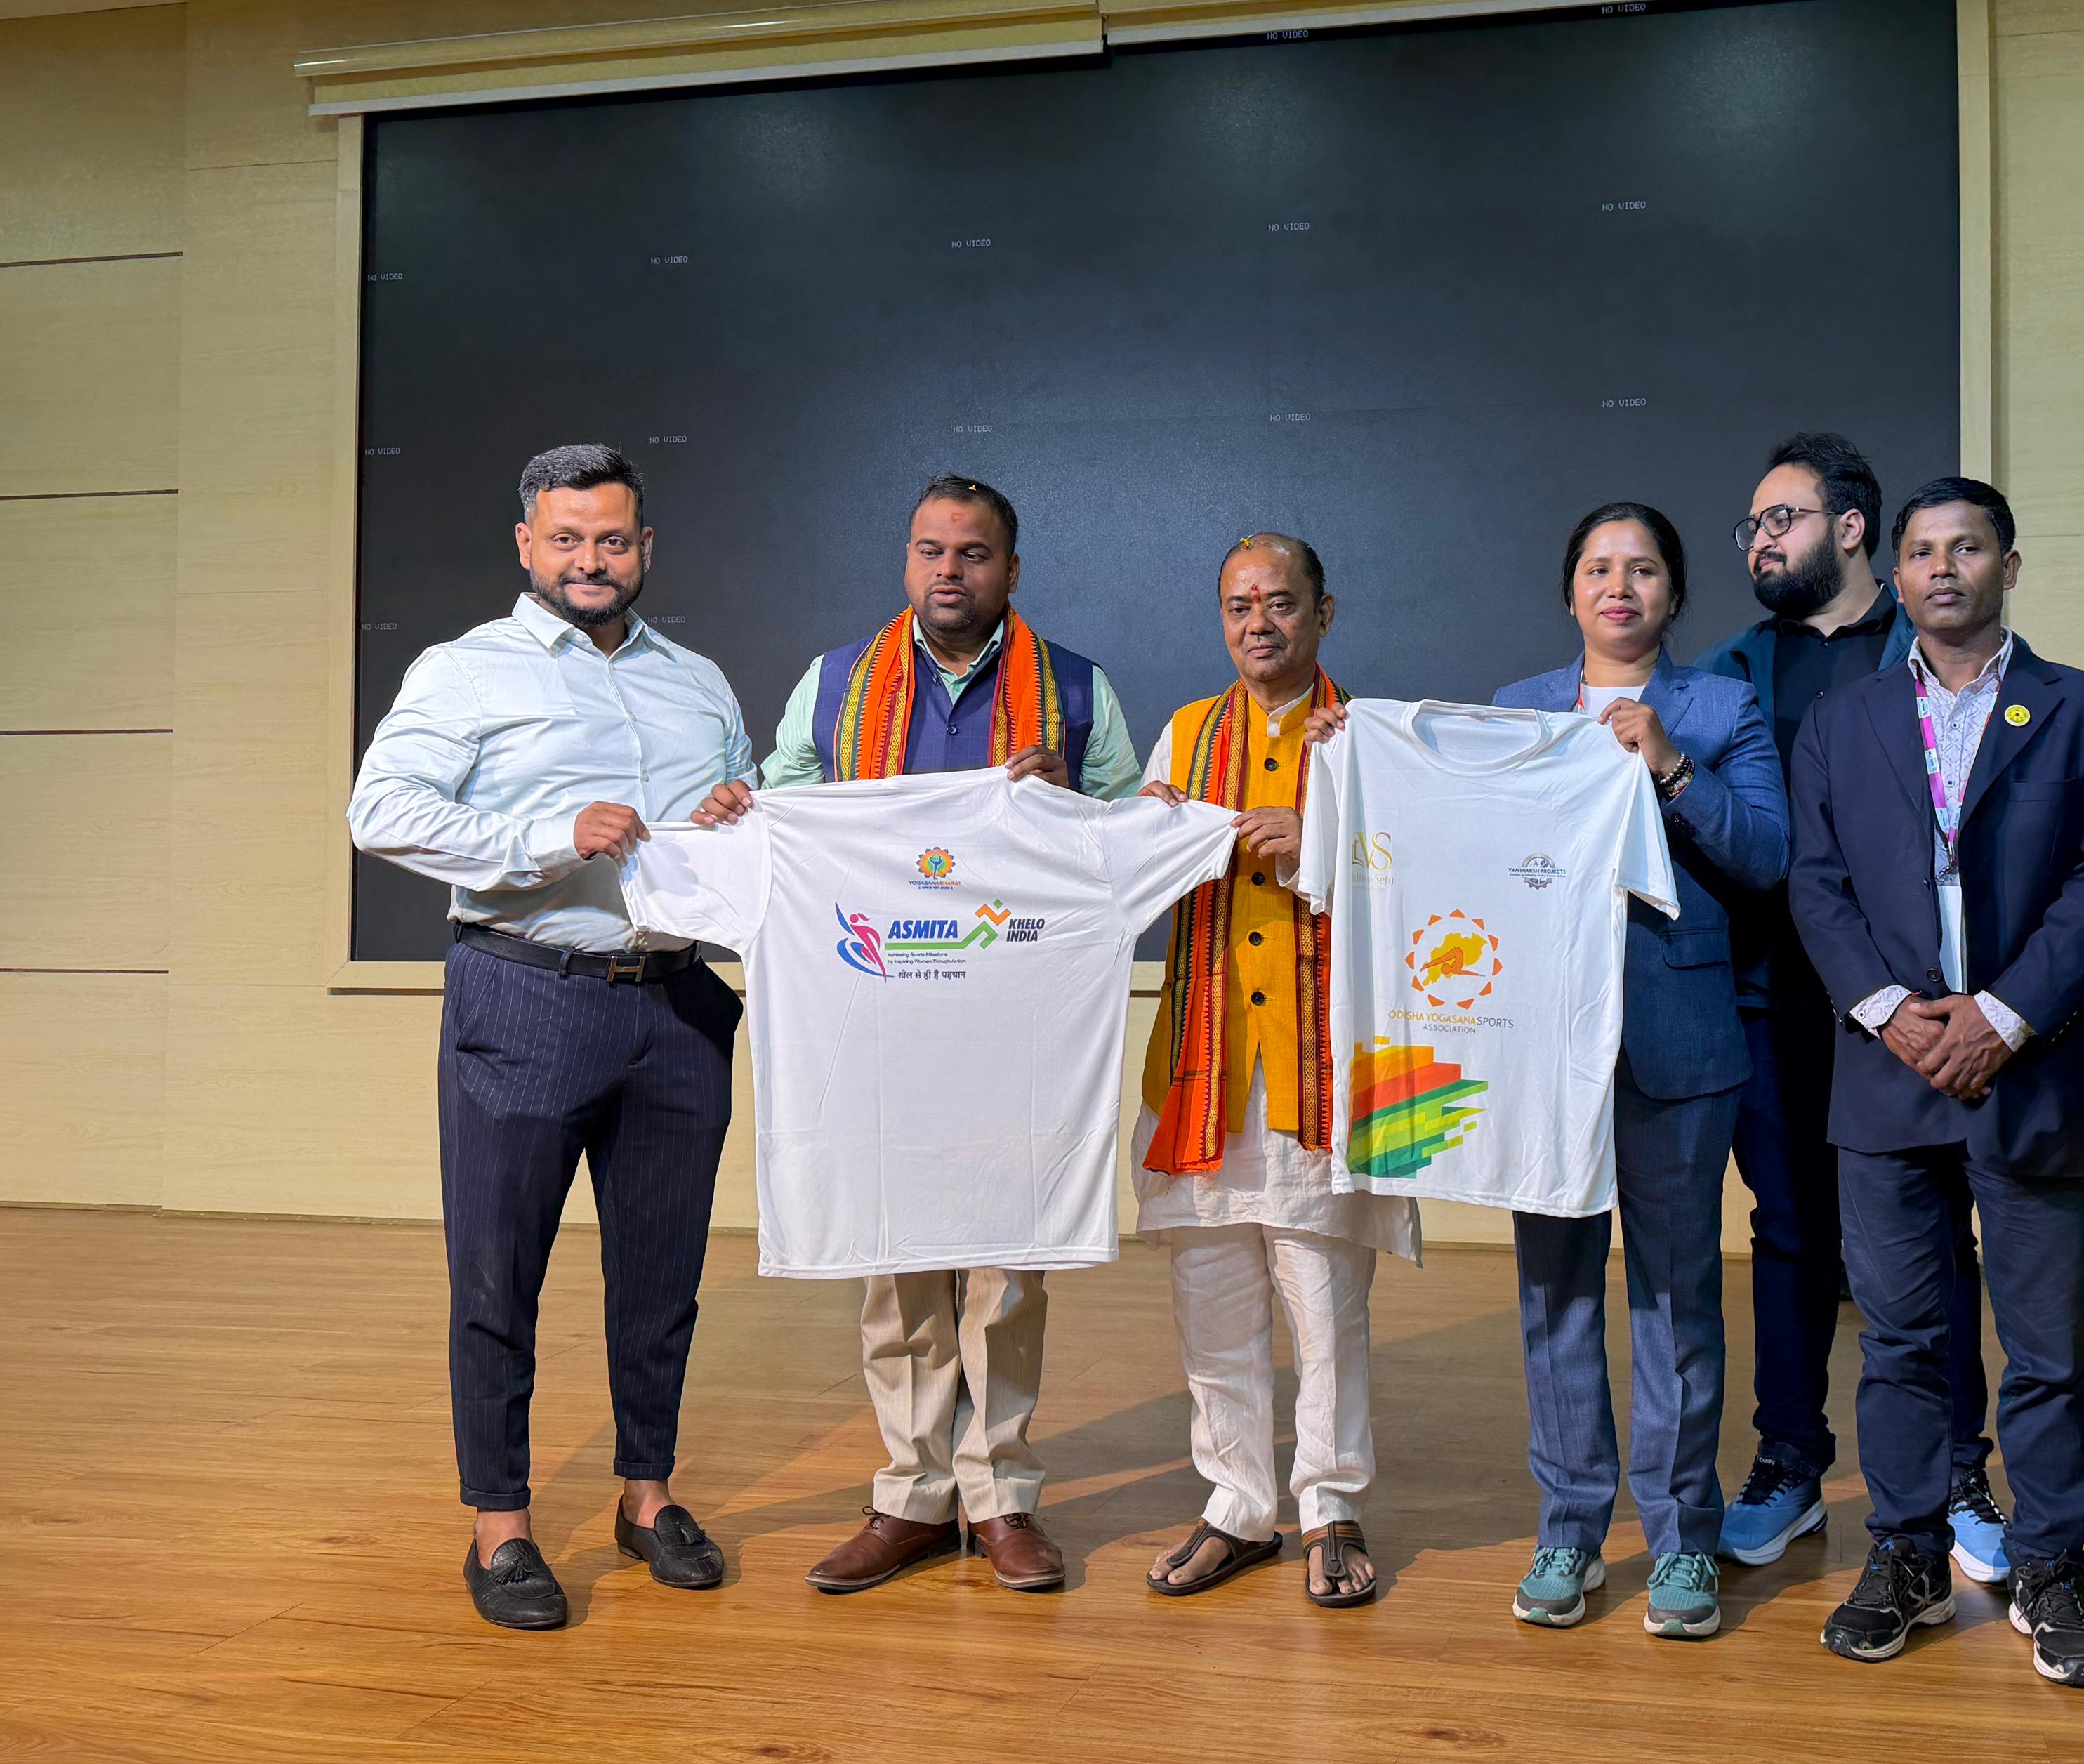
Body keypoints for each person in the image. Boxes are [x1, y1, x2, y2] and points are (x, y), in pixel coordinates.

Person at [697, 475, 1143, 1598]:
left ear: (1011, 570)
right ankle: (911, 1494)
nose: (950, 570)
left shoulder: (1076, 691)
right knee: (895, 1261)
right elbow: (779, 814)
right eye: (931, 550)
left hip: (1015, 1030)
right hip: (880, 1021)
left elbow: (1134, 839)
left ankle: (1001, 1497)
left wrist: (1075, 808)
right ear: (908, 561)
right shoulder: (835, 684)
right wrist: (737, 809)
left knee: (1005, 1269)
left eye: (974, 553)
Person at [349, 444, 750, 1631]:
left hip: (676, 1004)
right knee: (497, 1274)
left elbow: (735, 832)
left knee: (664, 1273)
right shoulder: (465, 670)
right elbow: (380, 810)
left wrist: (739, 812)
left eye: (611, 539)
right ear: (527, 545)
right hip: (525, 994)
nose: (590, 560)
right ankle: (502, 1526)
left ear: (644, 548)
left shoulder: (700, 683)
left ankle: (646, 1497)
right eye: (567, 539)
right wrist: (548, 835)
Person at [1787, 477, 2084, 1681]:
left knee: (2050, 1352)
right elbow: (1816, 883)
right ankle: (1908, 1556)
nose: (1944, 569)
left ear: (2009, 566)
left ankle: (2052, 1566)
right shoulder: (1841, 720)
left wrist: (2003, 1013)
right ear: (1896, 577)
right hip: (1887, 1072)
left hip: (2030, 1067)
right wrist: (1891, 1013)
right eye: (1922, 552)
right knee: (1900, 1342)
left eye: (1968, 547)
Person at [1697, 435, 2004, 1579]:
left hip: (1915, 1009)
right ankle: (1789, 1462)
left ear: (1853, 528)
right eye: (1753, 527)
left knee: (1931, 1237)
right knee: (1788, 1233)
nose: (1761, 542)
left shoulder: (1931, 651)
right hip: (1774, 997)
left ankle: (1956, 1472)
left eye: (1781, 519)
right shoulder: (1726, 672)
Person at [1495, 503, 1790, 1640]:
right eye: (1598, 568)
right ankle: (1570, 1526)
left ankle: (1681, 1538)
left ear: (1673, 593)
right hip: (1541, 1046)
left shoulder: (1720, 707)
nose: (1620, 586)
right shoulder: (1514, 709)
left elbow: (1765, 855)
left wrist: (1670, 767)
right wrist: (1348, 761)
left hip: (1680, 1034)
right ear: (1569, 590)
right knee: (1555, 1292)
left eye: (1644, 569)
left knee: (1675, 1294)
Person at [1133, 534, 1417, 1609]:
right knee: (1211, 1296)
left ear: (1323, 613)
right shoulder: (1184, 733)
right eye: (1240, 606)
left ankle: (1331, 1503)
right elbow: (1136, 871)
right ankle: (1239, 1504)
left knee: (1324, 1299)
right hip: (1205, 1064)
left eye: (1282, 603)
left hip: (1320, 1067)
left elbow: (1416, 886)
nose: (1260, 623)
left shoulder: (1370, 741)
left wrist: (1319, 844)